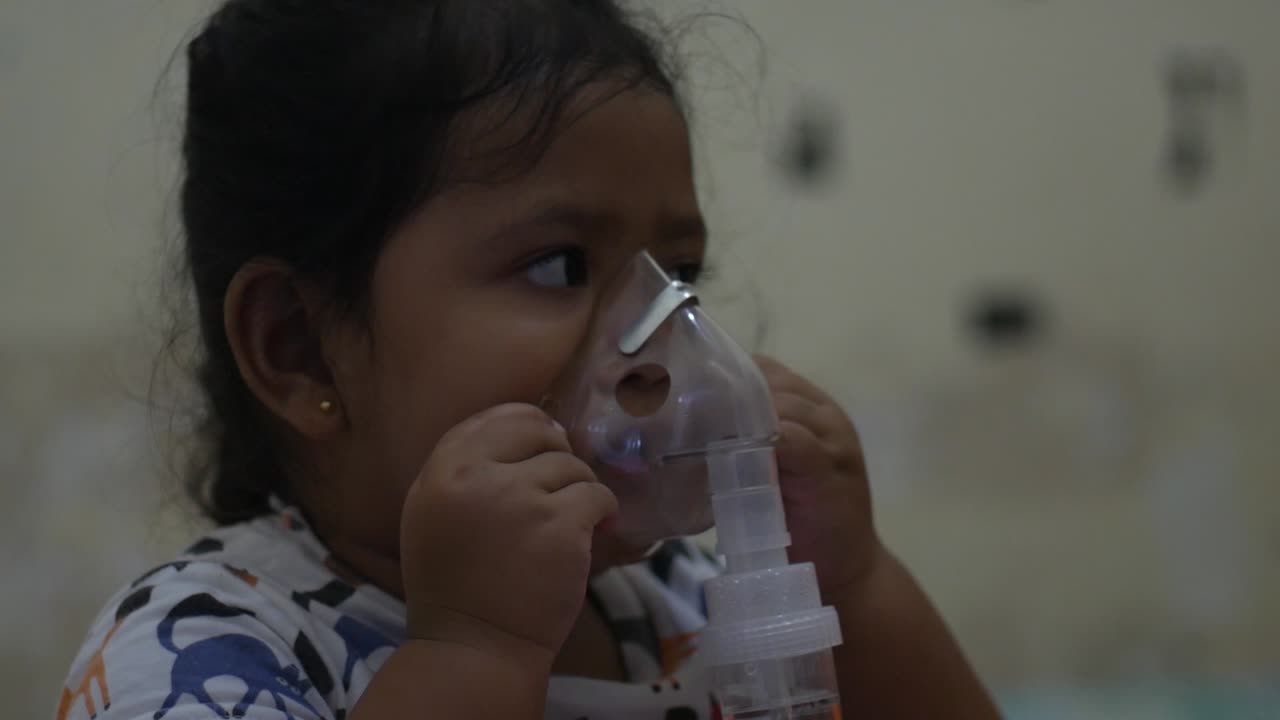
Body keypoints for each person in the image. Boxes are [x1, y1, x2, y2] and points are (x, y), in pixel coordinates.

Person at [56, 1, 999, 718]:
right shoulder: (196, 653)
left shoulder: (675, 611)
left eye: (676, 274)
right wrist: (472, 653)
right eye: (559, 266)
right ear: (299, 350)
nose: (661, 346)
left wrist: (854, 586)